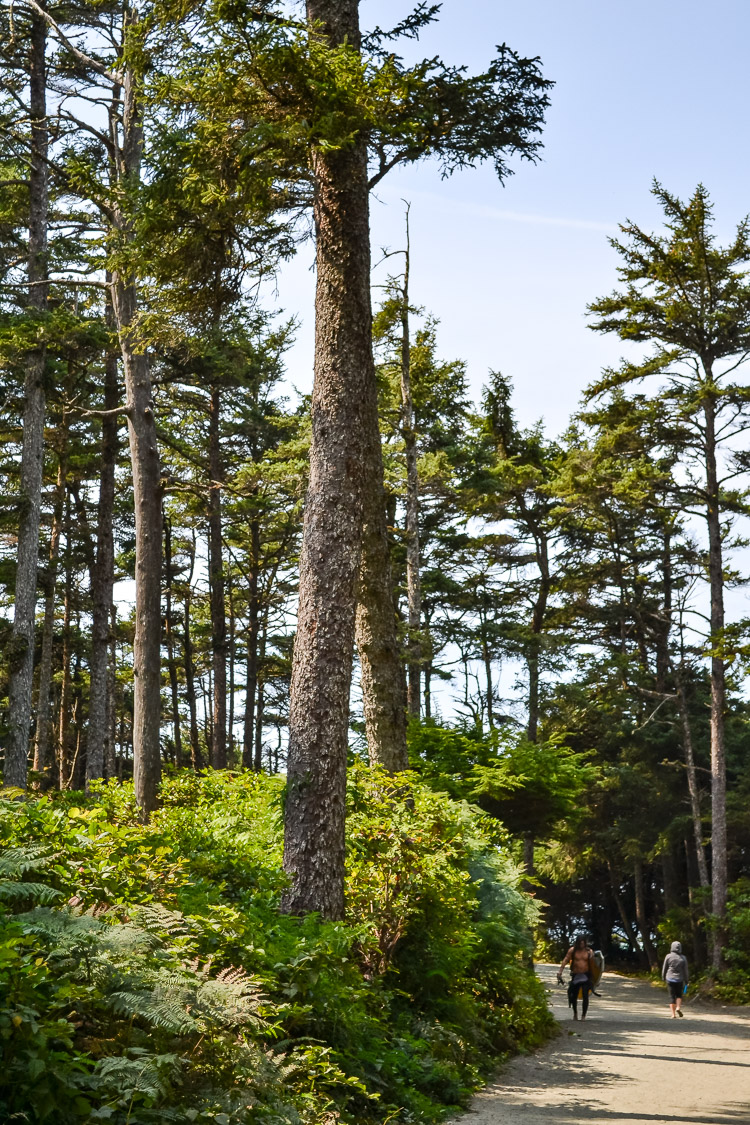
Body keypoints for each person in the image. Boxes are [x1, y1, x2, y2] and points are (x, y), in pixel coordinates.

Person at [557, 934, 595, 1021]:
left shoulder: (589, 952)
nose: (582, 944)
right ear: (577, 942)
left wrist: (595, 979)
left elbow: (594, 966)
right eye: (580, 943)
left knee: (585, 995)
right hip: (576, 976)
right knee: (573, 996)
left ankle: (583, 1016)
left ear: (585, 943)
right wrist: (560, 971)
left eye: (583, 943)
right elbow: (565, 960)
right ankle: (575, 1013)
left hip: (586, 976)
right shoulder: (572, 951)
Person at [662, 940, 689, 1018]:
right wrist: (686, 980)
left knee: (672, 996)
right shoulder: (683, 958)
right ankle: (678, 1007)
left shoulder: (668, 956)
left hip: (670, 978)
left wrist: (663, 977)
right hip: (679, 979)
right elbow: (686, 970)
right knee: (679, 995)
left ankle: (673, 1014)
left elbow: (664, 968)